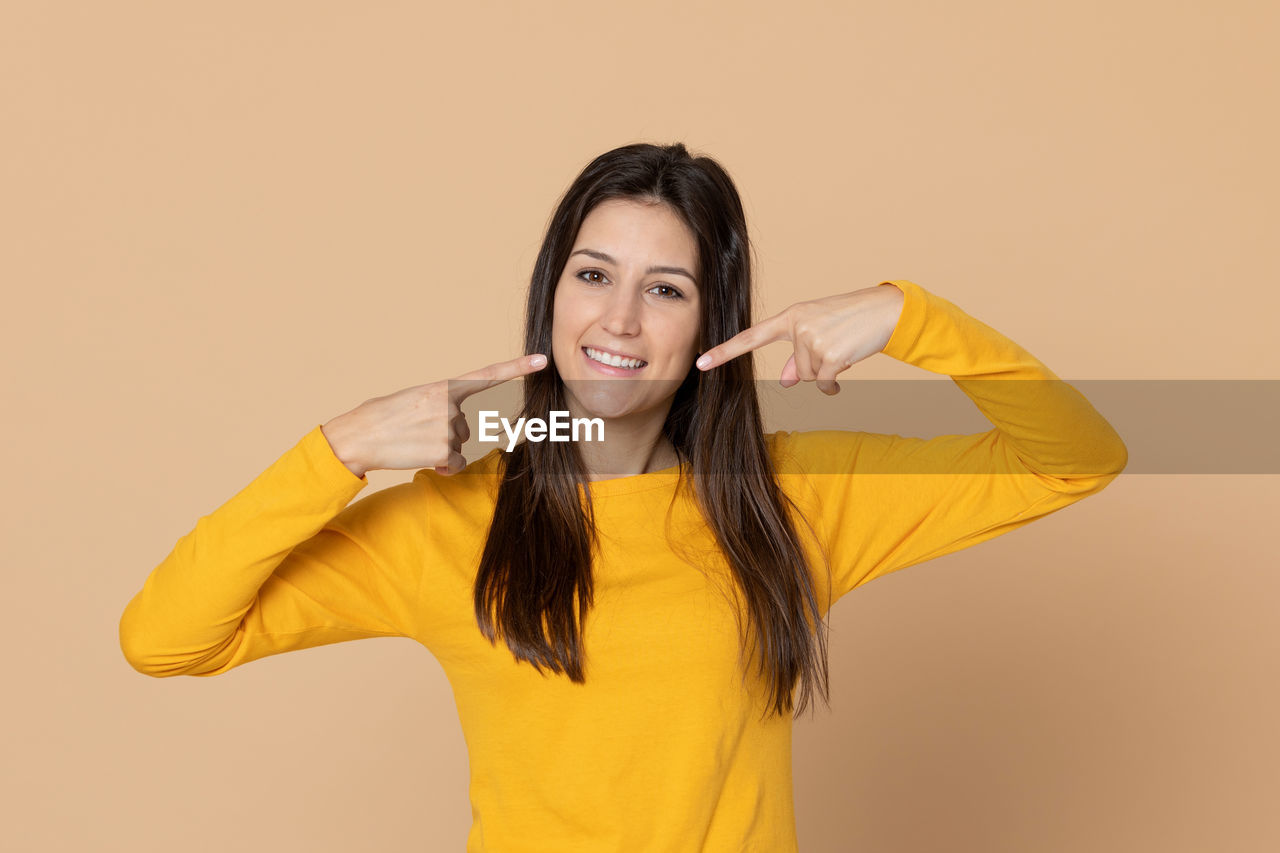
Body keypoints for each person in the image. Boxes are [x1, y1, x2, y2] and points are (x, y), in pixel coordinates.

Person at [119, 142, 1128, 852]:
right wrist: (334, 451)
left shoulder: (788, 501)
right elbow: (164, 637)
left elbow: (1077, 457)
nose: (618, 317)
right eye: (593, 273)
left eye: (666, 288)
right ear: (550, 293)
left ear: (709, 325)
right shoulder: (450, 517)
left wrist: (909, 317)